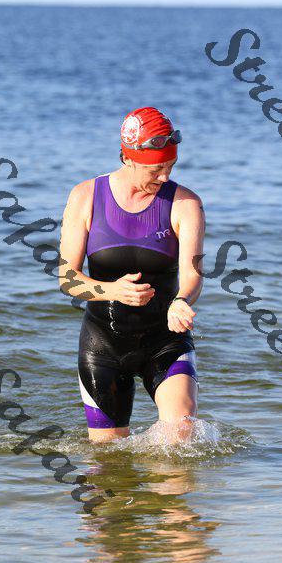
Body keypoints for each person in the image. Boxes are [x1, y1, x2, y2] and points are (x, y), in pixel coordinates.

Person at [59, 106, 205, 443]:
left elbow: (193, 273)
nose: (165, 177)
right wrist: (112, 291)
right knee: (107, 461)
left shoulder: (186, 204)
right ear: (128, 158)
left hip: (164, 339)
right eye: (156, 169)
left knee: (182, 431)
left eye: (170, 166)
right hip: (103, 345)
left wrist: (182, 300)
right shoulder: (86, 197)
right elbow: (67, 278)